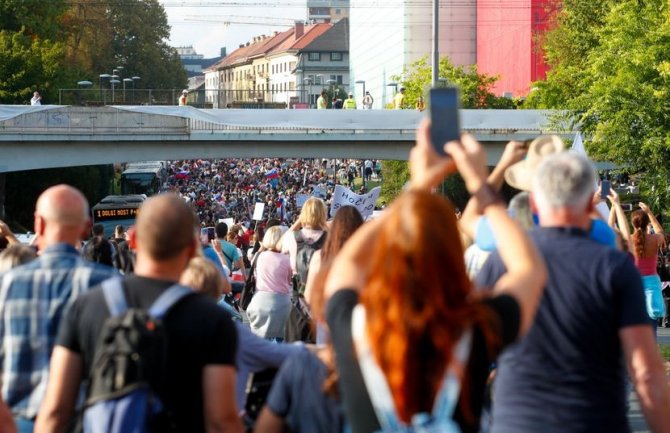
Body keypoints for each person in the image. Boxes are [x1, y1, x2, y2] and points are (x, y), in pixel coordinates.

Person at [324, 119, 547, 433]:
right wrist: (479, 184)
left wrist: (420, 184)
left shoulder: (354, 324)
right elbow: (529, 268)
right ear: (454, 252)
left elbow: (348, 262)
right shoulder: (479, 327)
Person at [477, 152, 670, 433]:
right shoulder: (614, 267)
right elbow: (647, 372)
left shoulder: (503, 260)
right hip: (594, 421)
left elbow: (471, 352)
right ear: (589, 204)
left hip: (518, 421)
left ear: (534, 202)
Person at [36, 194, 244, 433]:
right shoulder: (213, 319)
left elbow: (55, 412)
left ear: (133, 240)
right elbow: (222, 419)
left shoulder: (86, 305)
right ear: (190, 249)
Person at [0, 185, 118, 433]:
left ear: (39, 224)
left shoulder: (8, 283)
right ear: (87, 227)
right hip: (86, 422)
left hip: (18, 420)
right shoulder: (110, 285)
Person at [246, 226, 293, 340]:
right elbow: (289, 281)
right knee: (280, 343)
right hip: (282, 304)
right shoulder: (287, 260)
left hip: (259, 302)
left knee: (259, 345)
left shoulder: (258, 257)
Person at [630, 202, 667, 321]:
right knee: (651, 325)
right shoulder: (654, 239)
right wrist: (649, 212)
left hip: (633, 283)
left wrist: (616, 209)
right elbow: (661, 233)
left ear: (633, 224)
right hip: (652, 283)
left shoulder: (629, 240)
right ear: (647, 224)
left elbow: (611, 230)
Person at [282, 197, 328, 287]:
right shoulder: (331, 237)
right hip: (321, 290)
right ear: (323, 214)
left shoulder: (291, 237)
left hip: (298, 291)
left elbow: (279, 245)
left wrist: (298, 221)